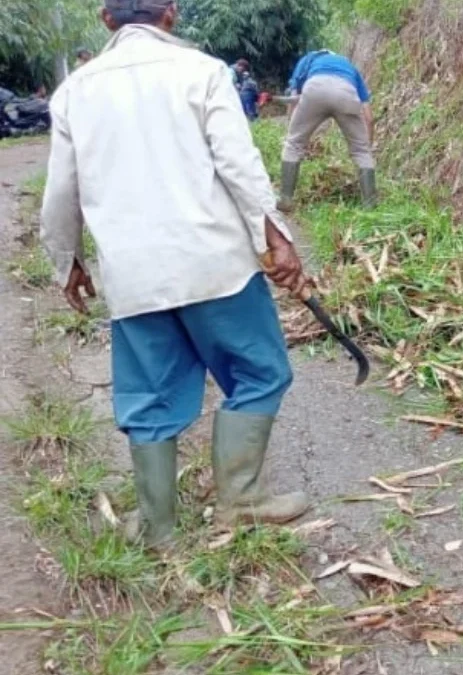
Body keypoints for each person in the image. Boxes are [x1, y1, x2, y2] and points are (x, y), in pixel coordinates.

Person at [40, 0, 310, 551]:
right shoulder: (203, 72)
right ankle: (242, 499)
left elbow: (60, 191)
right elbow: (239, 165)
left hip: (134, 276)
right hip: (216, 265)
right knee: (258, 373)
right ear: (171, 14)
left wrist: (66, 260)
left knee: (148, 398)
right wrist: (276, 238)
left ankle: (159, 526)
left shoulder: (75, 91)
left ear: (104, 19)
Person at [279, 49, 375, 210]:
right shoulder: (350, 68)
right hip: (347, 93)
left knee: (293, 144)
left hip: (315, 89)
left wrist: (293, 126)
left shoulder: (309, 59)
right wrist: (367, 146)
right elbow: (369, 117)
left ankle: (286, 199)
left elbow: (294, 95)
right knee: (361, 152)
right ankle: (370, 205)